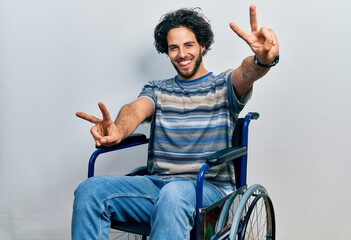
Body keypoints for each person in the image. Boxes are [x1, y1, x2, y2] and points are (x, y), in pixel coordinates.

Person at [71, 4, 279, 240]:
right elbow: (135, 109)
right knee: (90, 191)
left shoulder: (223, 85)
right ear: (167, 51)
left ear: (202, 45)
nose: (182, 54)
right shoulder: (157, 90)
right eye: (173, 48)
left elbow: (247, 72)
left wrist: (263, 60)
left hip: (209, 195)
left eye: (189, 45)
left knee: (174, 193)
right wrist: (118, 129)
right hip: (157, 188)